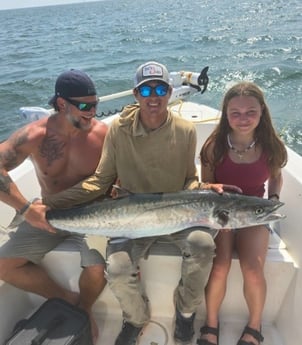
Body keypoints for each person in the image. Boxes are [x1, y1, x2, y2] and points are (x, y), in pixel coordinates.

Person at [42, 61, 241, 345]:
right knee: (118, 269)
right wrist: (50, 203)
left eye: (161, 88)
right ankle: (136, 318)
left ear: (171, 92)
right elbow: (100, 181)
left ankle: (185, 312)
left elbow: (188, 181)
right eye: (146, 90)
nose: (154, 96)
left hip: (177, 213)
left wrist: (206, 188)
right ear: (136, 95)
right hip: (131, 217)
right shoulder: (119, 130)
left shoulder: (185, 130)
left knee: (203, 245)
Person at [0, 69, 109, 344]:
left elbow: (119, 176)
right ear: (62, 104)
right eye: (85, 106)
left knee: (97, 268)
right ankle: (66, 299)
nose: (92, 113)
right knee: (2, 265)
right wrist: (25, 209)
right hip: (48, 214)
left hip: (93, 215)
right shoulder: (35, 136)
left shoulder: (103, 134)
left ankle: (84, 310)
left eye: (95, 105)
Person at [197, 81, 288, 345]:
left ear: (262, 112)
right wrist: (218, 213)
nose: (243, 119)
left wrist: (272, 199)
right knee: (220, 266)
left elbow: (276, 178)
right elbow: (207, 185)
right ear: (226, 114)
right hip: (222, 213)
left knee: (252, 268)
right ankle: (211, 323)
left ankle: (254, 326)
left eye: (251, 112)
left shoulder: (271, 145)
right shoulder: (214, 146)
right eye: (235, 113)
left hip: (254, 213)